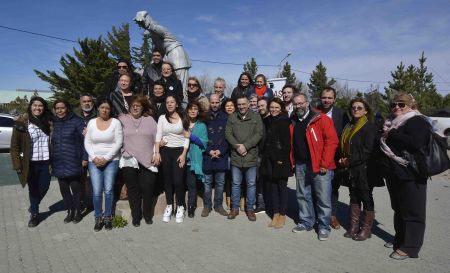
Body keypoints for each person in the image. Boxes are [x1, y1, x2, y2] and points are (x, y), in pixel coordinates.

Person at [379, 92, 430, 260]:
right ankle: (400, 239)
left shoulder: (417, 120)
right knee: (399, 209)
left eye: (401, 104)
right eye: (393, 104)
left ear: (411, 106)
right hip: (394, 173)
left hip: (412, 173)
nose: (396, 107)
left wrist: (392, 134)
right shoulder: (390, 122)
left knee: (413, 211)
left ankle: (410, 247)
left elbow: (416, 142)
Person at [290, 93, 339, 241]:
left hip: (320, 164)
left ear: (307, 103)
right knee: (302, 195)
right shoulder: (293, 121)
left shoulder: (321, 119)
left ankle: (324, 226)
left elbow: (332, 142)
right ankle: (306, 221)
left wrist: (325, 163)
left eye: (301, 103)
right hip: (300, 164)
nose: (298, 106)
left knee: (323, 197)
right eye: (296, 104)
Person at [337, 98, 381, 240]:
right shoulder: (349, 125)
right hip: (350, 169)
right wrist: (342, 158)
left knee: (366, 197)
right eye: (353, 107)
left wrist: (349, 160)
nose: (355, 109)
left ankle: (366, 229)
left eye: (359, 107)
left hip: (365, 169)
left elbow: (367, 150)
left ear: (366, 111)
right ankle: (354, 226)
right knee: (354, 196)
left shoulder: (370, 127)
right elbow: (343, 144)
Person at [10, 96, 52, 227]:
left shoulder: (49, 122)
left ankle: (34, 205)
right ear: (30, 106)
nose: (38, 108)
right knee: (33, 189)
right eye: (35, 105)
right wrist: (17, 165)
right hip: (30, 163)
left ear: (44, 108)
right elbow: (14, 147)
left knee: (44, 187)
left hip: (46, 162)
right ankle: (34, 214)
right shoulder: (22, 123)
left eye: (40, 106)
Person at [119, 95, 158, 227]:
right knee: (133, 189)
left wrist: (156, 153)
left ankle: (147, 215)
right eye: (133, 105)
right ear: (129, 107)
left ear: (143, 108)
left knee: (148, 188)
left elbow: (157, 138)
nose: (136, 107)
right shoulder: (122, 119)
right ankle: (136, 216)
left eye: (139, 106)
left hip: (147, 160)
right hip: (129, 159)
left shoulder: (150, 120)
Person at [84, 98, 123, 231]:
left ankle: (107, 217)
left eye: (107, 108)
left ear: (110, 109)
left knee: (108, 190)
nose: (104, 110)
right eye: (102, 107)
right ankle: (97, 217)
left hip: (111, 161)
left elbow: (118, 142)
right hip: (94, 161)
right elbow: (87, 142)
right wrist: (94, 158)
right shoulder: (91, 122)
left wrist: (106, 158)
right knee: (96, 191)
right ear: (98, 109)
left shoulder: (116, 123)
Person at [225, 96, 263, 221]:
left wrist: (246, 146)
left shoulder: (256, 117)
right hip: (236, 156)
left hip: (250, 155)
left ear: (248, 104)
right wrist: (237, 146)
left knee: (251, 184)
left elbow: (259, 134)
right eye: (239, 104)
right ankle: (235, 208)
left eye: (243, 104)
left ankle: (250, 209)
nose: (241, 106)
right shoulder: (232, 117)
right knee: (236, 183)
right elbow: (228, 133)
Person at [154, 95, 189, 223]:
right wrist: (157, 152)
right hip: (166, 152)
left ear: (177, 104)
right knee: (167, 180)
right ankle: (169, 206)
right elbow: (158, 135)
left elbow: (187, 137)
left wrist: (184, 154)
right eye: (167, 102)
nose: (169, 104)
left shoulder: (183, 117)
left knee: (178, 181)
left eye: (172, 102)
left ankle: (180, 206)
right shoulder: (162, 118)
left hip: (179, 152)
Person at [134, 10, 192, 89]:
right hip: (168, 55)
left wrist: (145, 20)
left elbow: (154, 27)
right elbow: (155, 58)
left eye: (142, 23)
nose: (141, 26)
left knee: (181, 83)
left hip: (176, 54)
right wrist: (146, 69)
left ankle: (184, 101)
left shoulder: (161, 29)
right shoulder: (156, 40)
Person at [317, 87, 349, 230]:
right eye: (324, 97)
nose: (327, 100)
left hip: (335, 157)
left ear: (334, 99)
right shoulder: (314, 112)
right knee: (317, 188)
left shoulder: (341, 114)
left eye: (330, 98)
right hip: (317, 157)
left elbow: (346, 135)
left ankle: (332, 215)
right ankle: (318, 215)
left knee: (333, 188)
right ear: (320, 98)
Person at [51, 99, 86, 224]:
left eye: (62, 108)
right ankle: (70, 210)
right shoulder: (54, 123)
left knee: (75, 187)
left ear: (67, 108)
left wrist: (84, 158)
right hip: (59, 161)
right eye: (57, 108)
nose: (60, 110)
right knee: (63, 188)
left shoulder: (77, 121)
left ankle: (77, 211)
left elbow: (86, 140)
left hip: (74, 160)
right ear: (54, 110)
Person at [261, 98, 292, 229]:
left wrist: (280, 159)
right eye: (272, 107)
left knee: (282, 188)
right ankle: (275, 213)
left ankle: (282, 215)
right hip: (269, 159)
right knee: (273, 187)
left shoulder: (284, 121)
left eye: (276, 107)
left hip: (280, 160)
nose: (274, 110)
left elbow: (286, 144)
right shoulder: (268, 120)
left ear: (281, 109)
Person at [202, 94, 229, 217]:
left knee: (220, 183)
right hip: (208, 155)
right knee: (207, 183)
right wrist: (209, 151)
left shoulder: (226, 117)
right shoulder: (204, 118)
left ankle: (218, 205)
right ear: (209, 103)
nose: (214, 105)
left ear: (219, 102)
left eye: (217, 102)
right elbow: (201, 137)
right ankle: (207, 206)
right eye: (212, 102)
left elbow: (228, 137)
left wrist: (221, 151)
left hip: (221, 155)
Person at [183, 101, 208, 218]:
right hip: (180, 158)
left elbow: (204, 143)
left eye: (195, 109)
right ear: (187, 111)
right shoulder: (182, 124)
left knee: (192, 185)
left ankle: (191, 208)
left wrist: (191, 137)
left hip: (193, 161)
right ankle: (180, 206)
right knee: (180, 184)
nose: (193, 111)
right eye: (191, 109)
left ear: (198, 112)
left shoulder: (202, 125)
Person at [77, 93, 96, 210]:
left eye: (89, 101)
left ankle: (94, 203)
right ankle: (80, 203)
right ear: (80, 103)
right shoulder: (74, 116)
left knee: (95, 180)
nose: (87, 103)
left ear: (92, 103)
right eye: (84, 101)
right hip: (78, 153)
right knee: (80, 181)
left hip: (94, 153)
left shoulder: (97, 115)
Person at [221, 98, 236, 209]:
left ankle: (239, 198)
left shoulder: (237, 118)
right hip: (224, 151)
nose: (229, 107)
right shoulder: (222, 119)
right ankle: (228, 197)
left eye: (231, 105)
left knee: (236, 177)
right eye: (227, 106)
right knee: (227, 176)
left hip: (235, 151)